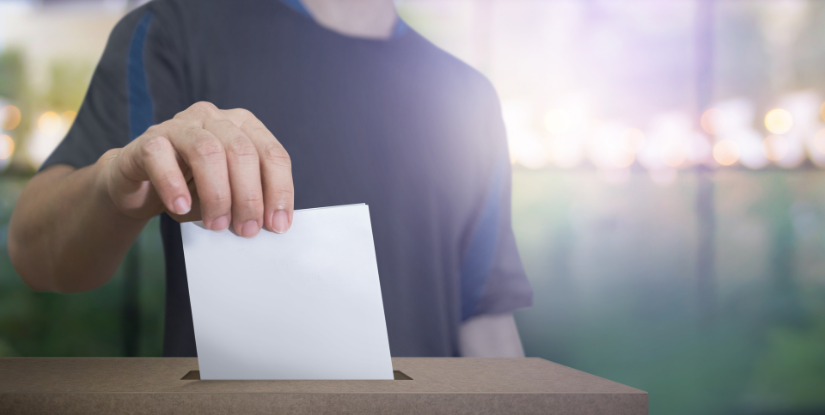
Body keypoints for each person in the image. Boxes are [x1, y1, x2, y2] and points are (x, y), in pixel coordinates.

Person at [8, 0, 532, 358]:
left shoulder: (469, 97)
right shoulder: (175, 30)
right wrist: (111, 187)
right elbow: (36, 253)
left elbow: (483, 322)